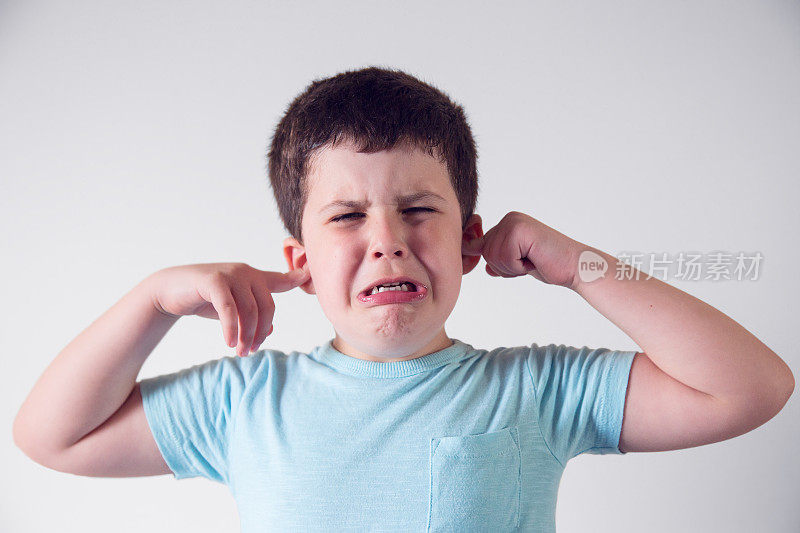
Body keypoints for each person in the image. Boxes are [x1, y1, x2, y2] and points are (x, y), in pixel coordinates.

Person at [13, 66, 795, 532]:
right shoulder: (242, 401)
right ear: (303, 263)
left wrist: (579, 265)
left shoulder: (539, 389)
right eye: (348, 216)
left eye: (418, 209)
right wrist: (152, 300)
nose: (386, 238)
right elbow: (53, 436)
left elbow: (751, 386)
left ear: (468, 240)